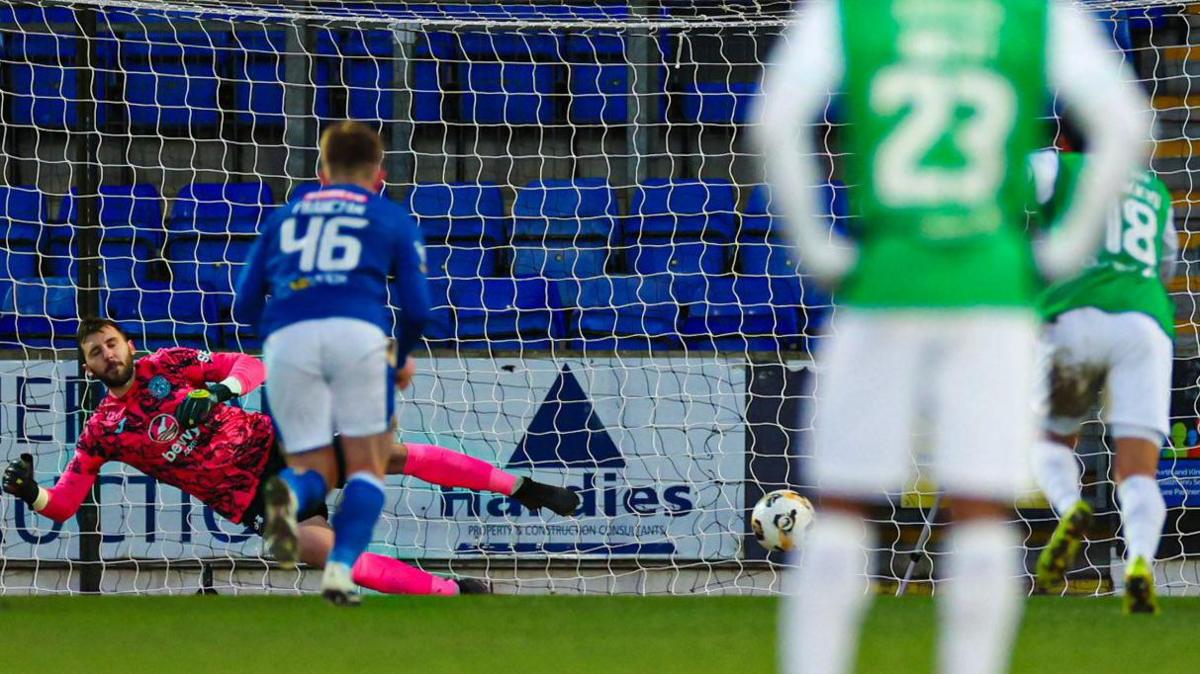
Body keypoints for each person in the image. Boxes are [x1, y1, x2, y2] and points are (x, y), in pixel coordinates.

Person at [754, 1, 1150, 672]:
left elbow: (772, 123)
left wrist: (819, 250)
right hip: (994, 286)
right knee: (980, 506)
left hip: (886, 276)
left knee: (845, 505)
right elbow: (1126, 125)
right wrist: (1062, 251)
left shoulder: (850, 12)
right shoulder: (1039, 14)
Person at [2, 318, 579, 596]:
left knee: (383, 453)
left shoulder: (170, 364)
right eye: (95, 353)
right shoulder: (101, 431)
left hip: (274, 443)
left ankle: (526, 489)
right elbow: (66, 504)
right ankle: (453, 591)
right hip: (251, 498)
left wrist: (222, 392)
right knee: (327, 558)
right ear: (90, 369)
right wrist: (33, 494)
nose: (107, 354)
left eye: (111, 343)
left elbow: (251, 366)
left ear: (128, 344)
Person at [1029, 147, 1175, 614]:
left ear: (1068, 138)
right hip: (1145, 326)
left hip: (1075, 319)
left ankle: (1071, 505)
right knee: (1138, 471)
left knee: (1051, 440)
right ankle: (1139, 563)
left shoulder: (1057, 165)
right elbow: (1165, 262)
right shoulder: (1153, 190)